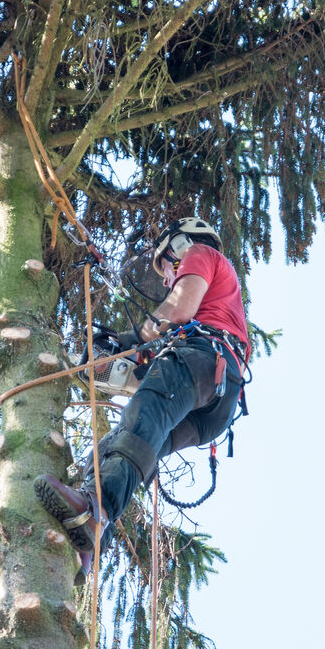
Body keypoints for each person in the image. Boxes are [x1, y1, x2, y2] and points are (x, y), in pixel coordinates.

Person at [34, 217, 249, 571]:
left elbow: (178, 310)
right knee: (125, 442)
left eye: (166, 265)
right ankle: (86, 538)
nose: (166, 278)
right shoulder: (223, 303)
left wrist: (134, 338)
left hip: (204, 359)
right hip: (218, 406)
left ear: (179, 246)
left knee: (140, 418)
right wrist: (125, 353)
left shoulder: (199, 252)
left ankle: (93, 513)